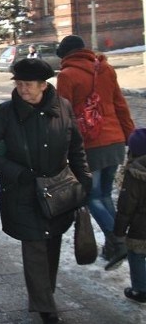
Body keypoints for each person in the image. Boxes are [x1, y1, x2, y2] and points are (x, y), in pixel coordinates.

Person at [0, 58, 92, 324]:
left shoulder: (62, 108)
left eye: (28, 84)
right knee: (34, 246)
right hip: (23, 191)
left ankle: (46, 295)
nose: (22, 89)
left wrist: (84, 178)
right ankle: (45, 306)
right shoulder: (6, 113)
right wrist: (17, 173)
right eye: (18, 84)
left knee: (51, 241)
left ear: (44, 85)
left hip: (57, 189)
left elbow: (75, 147)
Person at [55, 34, 135, 269]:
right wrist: (130, 137)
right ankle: (116, 244)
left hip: (91, 145)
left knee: (92, 196)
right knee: (104, 194)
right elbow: (120, 104)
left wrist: (61, 148)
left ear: (65, 56)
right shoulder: (105, 69)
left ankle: (117, 240)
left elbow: (63, 116)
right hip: (116, 141)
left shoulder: (67, 76)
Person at [115, 128, 146, 304]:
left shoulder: (135, 173)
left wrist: (119, 232)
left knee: (136, 253)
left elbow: (126, 207)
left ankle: (141, 289)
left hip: (140, 227)